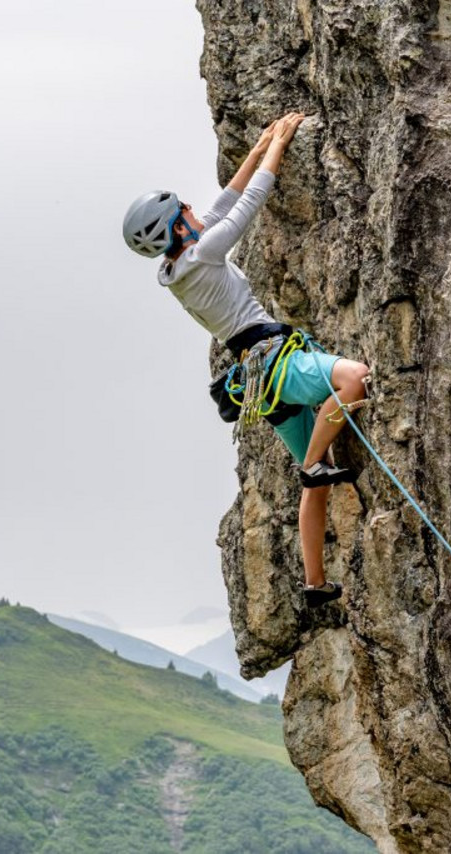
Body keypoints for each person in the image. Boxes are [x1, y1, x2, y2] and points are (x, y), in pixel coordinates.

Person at [121, 112, 370, 608]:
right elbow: (248, 204)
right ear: (176, 226)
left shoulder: (181, 265)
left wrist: (257, 148)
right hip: (277, 364)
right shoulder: (203, 255)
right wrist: (279, 144)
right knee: (355, 379)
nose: (194, 209)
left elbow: (222, 205)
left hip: (259, 386)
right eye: (184, 209)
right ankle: (315, 464)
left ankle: (315, 583)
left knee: (316, 481)